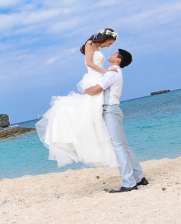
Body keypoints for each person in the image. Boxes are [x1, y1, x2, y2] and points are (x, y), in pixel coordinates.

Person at [35, 29, 120, 170]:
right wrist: (107, 72)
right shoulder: (90, 43)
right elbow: (89, 64)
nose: (109, 46)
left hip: (99, 76)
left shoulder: (97, 47)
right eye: (109, 43)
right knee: (93, 110)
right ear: (104, 38)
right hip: (93, 76)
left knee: (96, 109)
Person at [84, 48, 147, 193]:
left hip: (110, 111)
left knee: (118, 147)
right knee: (124, 146)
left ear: (118, 59)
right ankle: (139, 177)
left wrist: (86, 91)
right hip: (115, 110)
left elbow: (96, 90)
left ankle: (129, 182)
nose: (111, 54)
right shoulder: (115, 72)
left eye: (114, 54)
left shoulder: (112, 73)